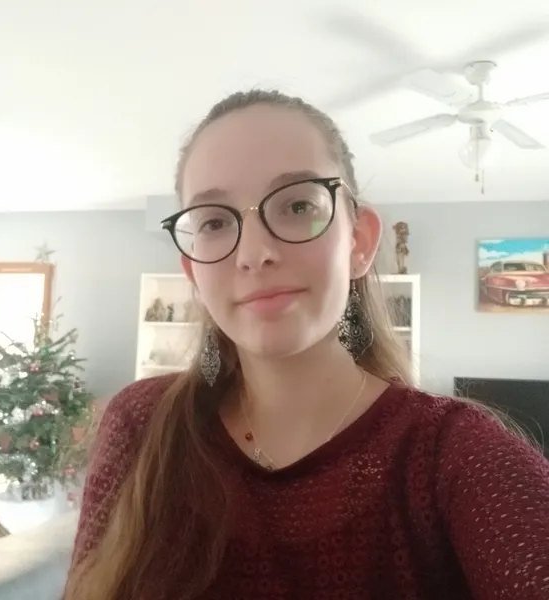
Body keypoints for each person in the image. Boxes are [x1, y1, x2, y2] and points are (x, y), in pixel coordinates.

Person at [63, 90, 549, 600]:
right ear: (192, 269)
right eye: (214, 221)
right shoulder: (141, 425)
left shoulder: (452, 454)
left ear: (359, 241)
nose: (254, 253)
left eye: (298, 205)